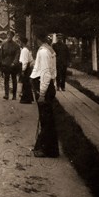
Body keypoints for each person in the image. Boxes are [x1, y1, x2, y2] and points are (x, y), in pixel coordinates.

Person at [29, 27, 59, 158]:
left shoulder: (43, 52)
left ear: (36, 38)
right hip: (48, 87)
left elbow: (46, 74)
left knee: (46, 121)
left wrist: (41, 93)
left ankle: (47, 150)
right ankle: (44, 147)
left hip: (44, 88)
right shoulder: (48, 49)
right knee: (46, 120)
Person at [1, 30, 21, 100]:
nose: (9, 36)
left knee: (14, 79)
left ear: (13, 36)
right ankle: (6, 94)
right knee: (6, 79)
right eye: (8, 35)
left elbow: (17, 55)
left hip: (13, 65)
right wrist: (2, 63)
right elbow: (2, 54)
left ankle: (14, 95)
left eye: (10, 35)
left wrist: (14, 63)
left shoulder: (16, 45)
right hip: (6, 65)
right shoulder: (4, 44)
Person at [18, 37, 34, 104]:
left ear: (22, 42)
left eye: (19, 42)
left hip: (25, 68)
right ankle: (28, 98)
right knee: (26, 84)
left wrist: (22, 70)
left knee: (25, 84)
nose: (19, 43)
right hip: (28, 68)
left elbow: (24, 61)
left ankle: (26, 98)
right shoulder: (27, 49)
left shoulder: (24, 50)